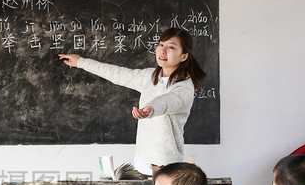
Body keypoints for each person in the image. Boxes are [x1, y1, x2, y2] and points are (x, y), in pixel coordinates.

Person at [59, 27, 207, 175]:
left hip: (165, 165)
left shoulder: (184, 86)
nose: (163, 51)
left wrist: (151, 108)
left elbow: (168, 101)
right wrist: (81, 62)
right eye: (161, 45)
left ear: (183, 56)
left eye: (171, 47)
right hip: (142, 161)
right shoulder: (149, 77)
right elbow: (117, 74)